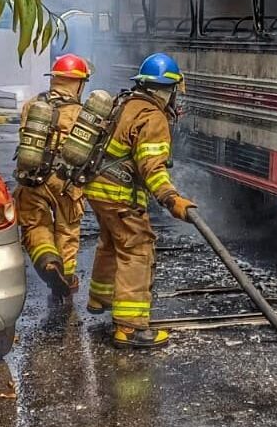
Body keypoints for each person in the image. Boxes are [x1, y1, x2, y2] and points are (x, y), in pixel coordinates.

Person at [83, 53, 196, 349]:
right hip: (118, 194)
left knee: (112, 240)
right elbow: (151, 168)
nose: (174, 99)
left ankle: (100, 298)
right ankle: (130, 328)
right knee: (138, 248)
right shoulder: (153, 117)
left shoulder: (125, 103)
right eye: (173, 91)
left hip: (96, 187)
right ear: (165, 89)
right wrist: (172, 199)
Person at [15, 54, 90, 297]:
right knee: (67, 229)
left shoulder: (31, 105)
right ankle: (66, 278)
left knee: (35, 223)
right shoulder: (82, 114)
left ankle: (48, 261)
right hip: (65, 181)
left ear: (55, 79)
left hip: (32, 176)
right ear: (77, 83)